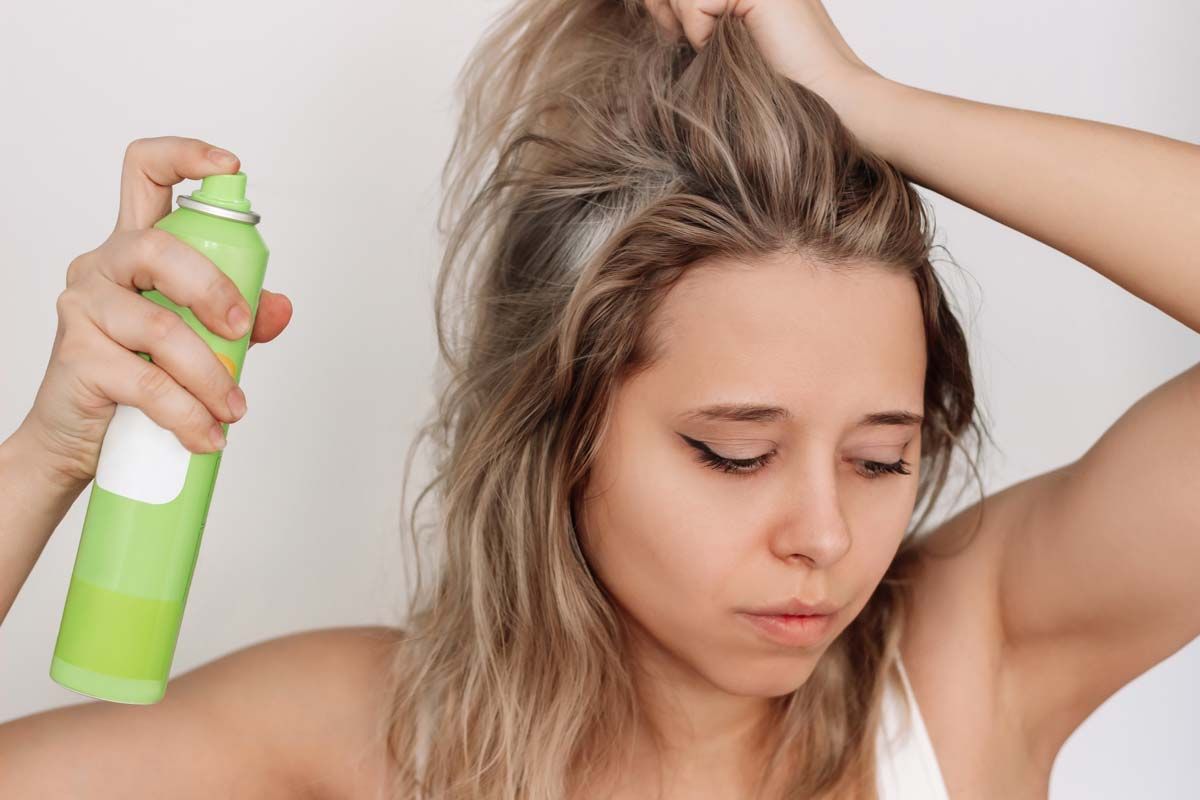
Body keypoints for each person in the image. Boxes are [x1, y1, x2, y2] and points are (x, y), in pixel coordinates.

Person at [2, 0, 1198, 797]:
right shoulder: (363, 733)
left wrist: (866, 102)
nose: (826, 536)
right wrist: (45, 456)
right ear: (559, 432)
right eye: (736, 452)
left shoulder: (964, 671)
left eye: (881, 458)